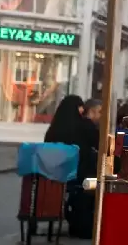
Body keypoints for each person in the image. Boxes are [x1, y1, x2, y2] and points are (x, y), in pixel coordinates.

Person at [45, 95, 97, 239]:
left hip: (56, 176)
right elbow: (99, 143)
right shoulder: (84, 125)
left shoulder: (53, 130)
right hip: (80, 176)